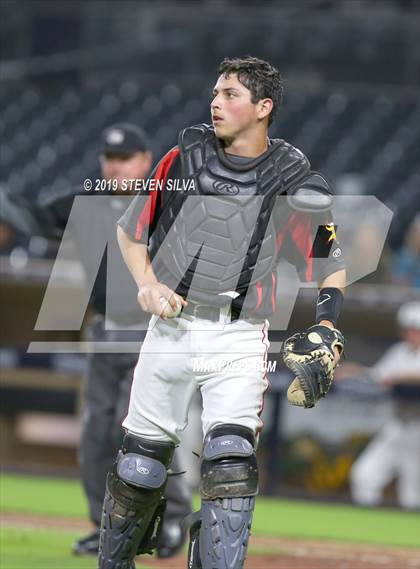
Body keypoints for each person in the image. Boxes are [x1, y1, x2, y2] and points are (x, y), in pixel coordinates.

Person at [99, 57, 346, 569]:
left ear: (263, 107)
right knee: (140, 466)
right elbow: (129, 232)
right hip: (169, 328)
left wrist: (327, 321)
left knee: (230, 460)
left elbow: (330, 258)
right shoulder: (183, 157)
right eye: (215, 92)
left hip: (240, 336)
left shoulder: (292, 175)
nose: (216, 102)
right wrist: (146, 284)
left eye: (231, 94)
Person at [0, 123, 192, 558]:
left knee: (149, 432)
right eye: (109, 158)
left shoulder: (166, 201)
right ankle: (105, 526)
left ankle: (173, 520)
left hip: (155, 332)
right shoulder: (85, 201)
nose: (115, 165)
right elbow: (31, 216)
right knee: (95, 435)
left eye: (125, 158)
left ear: (145, 161)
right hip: (105, 331)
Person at [338, 301, 420, 510]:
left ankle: (406, 541)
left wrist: (400, 377)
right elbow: (378, 377)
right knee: (365, 476)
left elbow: (401, 377)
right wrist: (352, 370)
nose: (412, 335)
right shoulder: (400, 351)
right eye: (409, 330)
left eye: (416, 330)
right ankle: (367, 533)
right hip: (398, 426)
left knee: (412, 494)